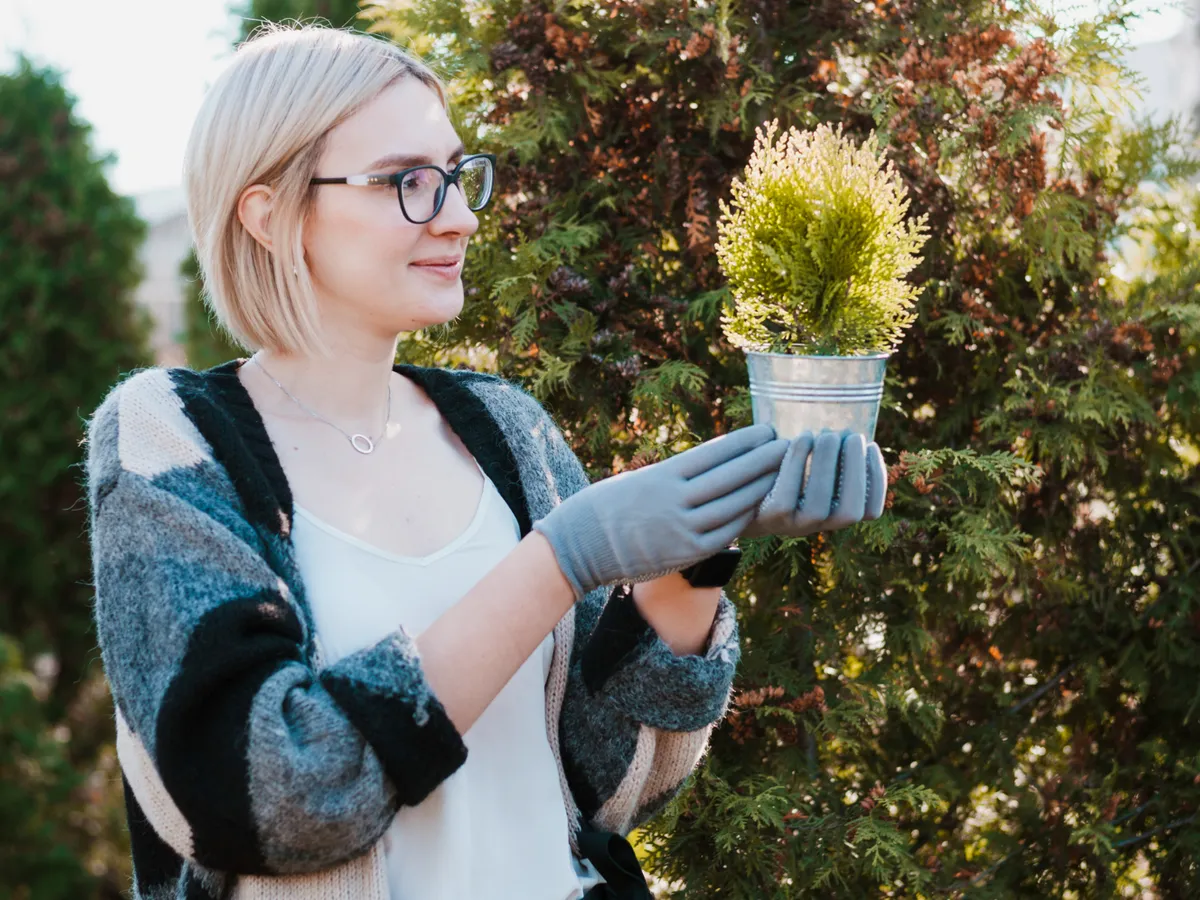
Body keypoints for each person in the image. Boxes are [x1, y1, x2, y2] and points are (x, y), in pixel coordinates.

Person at [82, 22, 886, 900]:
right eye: (407, 181)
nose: (460, 216)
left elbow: (609, 785)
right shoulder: (173, 439)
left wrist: (698, 554)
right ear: (271, 216)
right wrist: (559, 561)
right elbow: (269, 795)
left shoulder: (503, 428)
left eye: (458, 175)